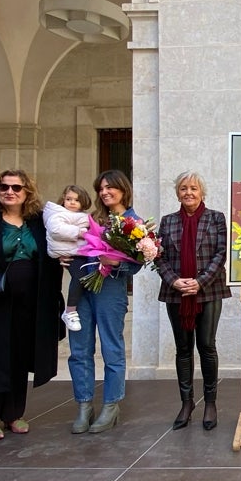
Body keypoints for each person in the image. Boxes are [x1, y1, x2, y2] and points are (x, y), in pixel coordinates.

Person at [0, 170, 64, 439]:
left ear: (26, 192)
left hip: (30, 302)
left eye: (17, 187)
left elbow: (53, 255)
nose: (10, 192)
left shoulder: (37, 224)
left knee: (19, 357)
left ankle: (13, 414)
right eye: (4, 187)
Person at [66, 169, 142, 434]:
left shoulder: (134, 222)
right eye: (101, 188)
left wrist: (116, 263)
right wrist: (67, 256)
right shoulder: (92, 218)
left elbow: (135, 267)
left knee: (111, 348)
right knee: (79, 349)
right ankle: (84, 405)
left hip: (111, 290)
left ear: (123, 189)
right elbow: (74, 244)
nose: (105, 192)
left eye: (110, 187)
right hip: (82, 288)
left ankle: (111, 405)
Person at [156, 171, 232, 431]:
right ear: (177, 192)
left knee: (207, 346)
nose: (188, 192)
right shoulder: (167, 222)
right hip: (176, 293)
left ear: (202, 193)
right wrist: (174, 281)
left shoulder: (216, 218)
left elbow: (221, 254)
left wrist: (199, 282)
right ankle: (186, 402)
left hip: (208, 292)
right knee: (183, 349)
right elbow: (158, 256)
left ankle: (210, 402)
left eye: (194, 188)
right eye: (183, 188)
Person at [43, 184, 92, 332]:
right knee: (80, 276)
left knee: (83, 276)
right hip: (69, 254)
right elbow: (56, 230)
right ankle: (70, 311)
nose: (71, 202)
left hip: (78, 253)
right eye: (68, 199)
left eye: (76, 200)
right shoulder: (58, 214)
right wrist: (81, 232)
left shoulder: (82, 217)